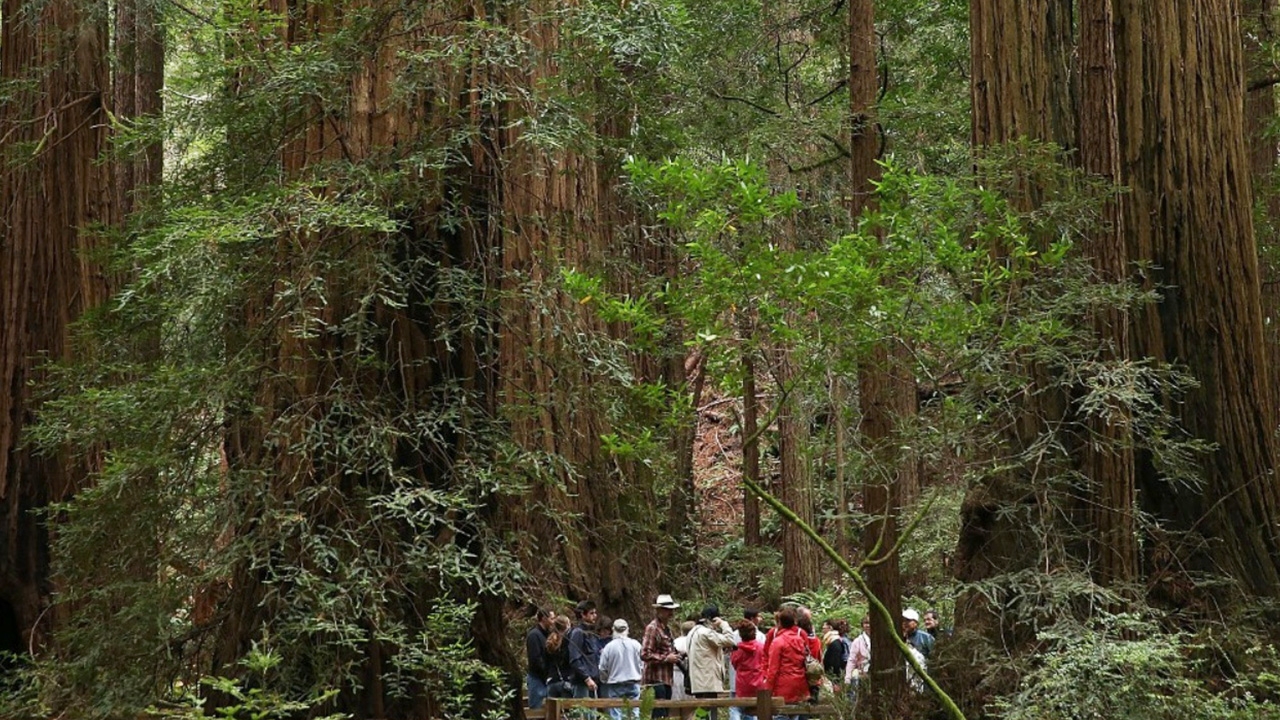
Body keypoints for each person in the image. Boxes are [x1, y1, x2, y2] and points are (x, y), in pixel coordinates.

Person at [641, 593, 682, 717]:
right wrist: (666, 658)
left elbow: (668, 649)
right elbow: (645, 653)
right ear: (659, 610)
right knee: (658, 714)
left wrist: (678, 655)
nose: (670, 613)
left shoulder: (666, 629)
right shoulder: (652, 628)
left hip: (666, 679)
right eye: (667, 610)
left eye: (671, 610)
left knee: (665, 713)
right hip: (655, 680)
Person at [687, 605, 738, 698]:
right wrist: (723, 624)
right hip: (707, 680)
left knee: (704, 708)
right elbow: (730, 640)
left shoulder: (693, 632)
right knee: (708, 708)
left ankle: (699, 714)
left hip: (699, 681)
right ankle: (699, 714)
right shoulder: (706, 633)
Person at [764, 607, 811, 705]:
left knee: (782, 715)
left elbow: (773, 668)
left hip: (783, 685)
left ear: (780, 622)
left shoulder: (778, 641)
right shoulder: (800, 639)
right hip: (800, 683)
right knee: (795, 714)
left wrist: (768, 689)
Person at [599, 618, 644, 720]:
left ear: (613, 630)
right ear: (627, 629)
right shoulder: (636, 645)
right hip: (633, 682)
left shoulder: (609, 647)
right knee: (634, 713)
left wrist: (605, 679)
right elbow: (642, 664)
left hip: (615, 684)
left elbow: (602, 668)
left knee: (616, 714)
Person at [731, 621, 765, 720]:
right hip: (758, 683)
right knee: (754, 712)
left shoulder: (737, 650)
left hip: (742, 684)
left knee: (736, 708)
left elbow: (735, 664)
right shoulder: (761, 647)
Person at [568, 600, 602, 698]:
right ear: (583, 615)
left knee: (593, 712)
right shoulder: (578, 633)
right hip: (582, 682)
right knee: (583, 711)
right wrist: (586, 678)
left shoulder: (591, 632)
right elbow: (574, 659)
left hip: (593, 680)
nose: (595, 616)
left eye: (595, 613)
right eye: (591, 613)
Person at [526, 607, 555, 709]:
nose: (553, 622)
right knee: (536, 710)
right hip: (537, 678)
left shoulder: (547, 635)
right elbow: (535, 659)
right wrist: (545, 674)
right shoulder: (534, 635)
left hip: (546, 679)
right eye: (551, 619)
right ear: (543, 618)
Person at [546, 616, 575, 699]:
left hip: (551, 680)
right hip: (564, 680)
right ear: (567, 626)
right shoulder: (567, 642)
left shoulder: (551, 641)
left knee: (552, 710)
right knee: (566, 710)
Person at [844, 616, 871, 701]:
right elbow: (852, 660)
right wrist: (848, 677)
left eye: (870, 623)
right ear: (862, 625)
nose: (868, 625)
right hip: (862, 673)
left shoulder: (880, 639)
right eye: (866, 623)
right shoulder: (858, 641)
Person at [672, 619, 696, 700]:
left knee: (674, 706)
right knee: (689, 707)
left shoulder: (675, 642)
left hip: (675, 675)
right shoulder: (694, 642)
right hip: (690, 676)